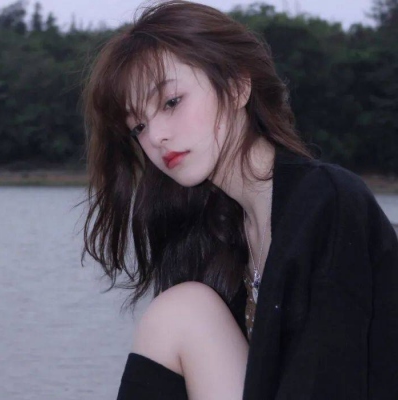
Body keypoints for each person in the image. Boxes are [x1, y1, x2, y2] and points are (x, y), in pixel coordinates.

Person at [82, 1, 398, 399]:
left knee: (182, 312)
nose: (156, 136)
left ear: (237, 86)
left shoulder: (328, 203)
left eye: (171, 102)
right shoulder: (218, 233)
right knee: (179, 313)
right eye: (139, 127)